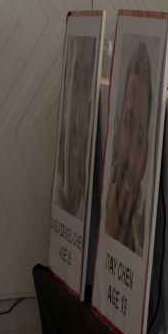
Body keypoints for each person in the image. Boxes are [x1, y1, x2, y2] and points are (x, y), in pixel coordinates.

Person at [103, 41, 154, 254]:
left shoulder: (140, 242)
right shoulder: (104, 221)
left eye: (141, 138)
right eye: (128, 125)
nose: (132, 151)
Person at [55, 38, 97, 220]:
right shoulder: (60, 192)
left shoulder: (85, 201)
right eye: (76, 81)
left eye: (86, 84)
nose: (79, 119)